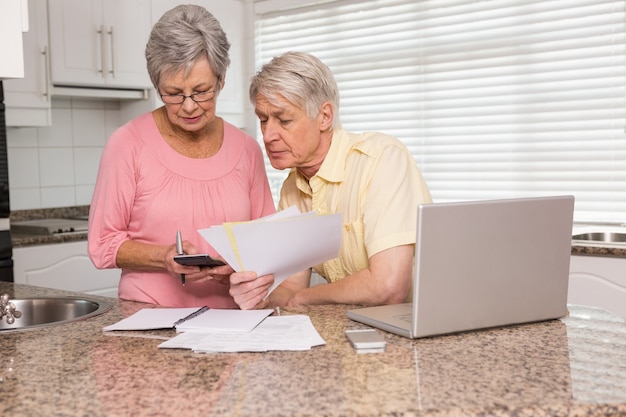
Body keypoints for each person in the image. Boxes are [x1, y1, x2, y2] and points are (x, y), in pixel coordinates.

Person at [88, 5, 275, 308]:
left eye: (202, 91)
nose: (188, 106)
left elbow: (268, 242)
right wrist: (163, 258)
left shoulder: (246, 149)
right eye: (174, 93)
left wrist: (239, 266)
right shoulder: (127, 144)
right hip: (148, 321)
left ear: (221, 80)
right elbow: (102, 245)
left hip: (233, 323)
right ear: (157, 84)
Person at [230, 51, 432, 309]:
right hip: (355, 331)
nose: (268, 135)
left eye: (284, 120)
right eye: (263, 119)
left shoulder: (382, 159)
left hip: (420, 336)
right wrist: (259, 298)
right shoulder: (293, 188)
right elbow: (291, 288)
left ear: (325, 116)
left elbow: (388, 287)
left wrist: (306, 297)